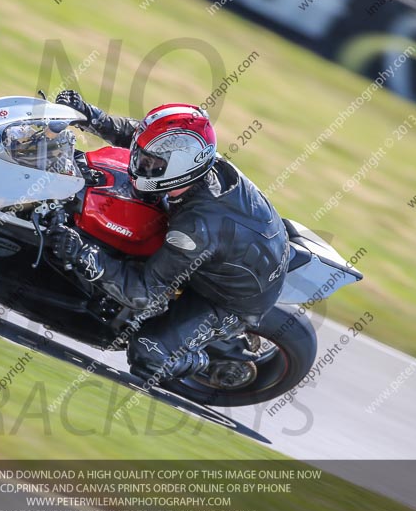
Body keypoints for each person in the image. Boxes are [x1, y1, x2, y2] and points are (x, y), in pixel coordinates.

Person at [48, 90, 289, 385]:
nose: (140, 163)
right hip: (239, 247)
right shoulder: (192, 162)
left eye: (150, 163)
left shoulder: (195, 228)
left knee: (148, 355)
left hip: (228, 301)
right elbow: (139, 138)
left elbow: (144, 292)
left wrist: (82, 253)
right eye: (143, 158)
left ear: (175, 169)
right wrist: (88, 115)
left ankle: (206, 362)